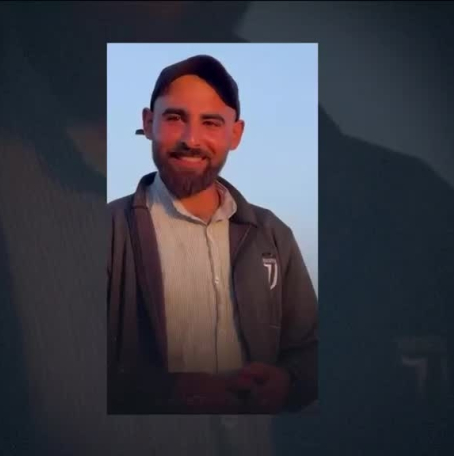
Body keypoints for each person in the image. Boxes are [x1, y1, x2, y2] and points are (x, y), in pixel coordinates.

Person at [107, 55, 319, 415]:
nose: (191, 139)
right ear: (148, 122)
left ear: (235, 134)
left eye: (211, 122)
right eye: (175, 118)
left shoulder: (272, 235)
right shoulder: (107, 231)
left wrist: (287, 382)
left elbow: (311, 350)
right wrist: (168, 393)